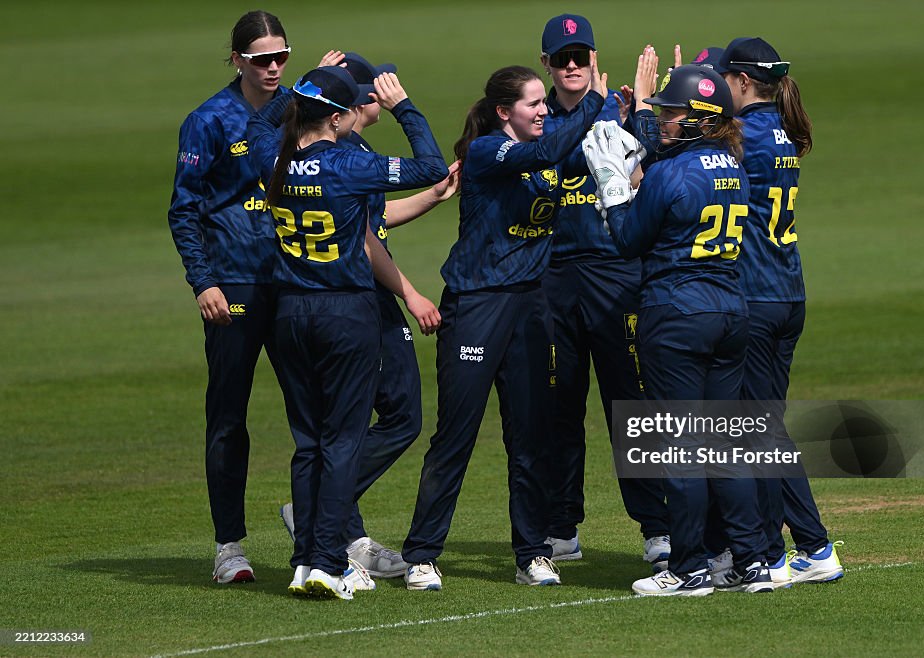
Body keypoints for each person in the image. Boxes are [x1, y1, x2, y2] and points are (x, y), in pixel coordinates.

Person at [401, 61, 608, 591]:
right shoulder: (488, 150)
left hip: (531, 307)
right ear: (503, 112)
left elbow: (585, 156)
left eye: (545, 103)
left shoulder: (548, 153)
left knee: (532, 434)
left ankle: (533, 553)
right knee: (457, 434)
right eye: (534, 104)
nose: (543, 110)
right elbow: (545, 149)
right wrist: (589, 106)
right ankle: (422, 554)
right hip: (477, 306)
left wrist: (629, 111)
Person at [247, 64, 447, 598]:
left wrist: (291, 95)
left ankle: (303, 562)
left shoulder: (273, 158)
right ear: (337, 118)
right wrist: (404, 106)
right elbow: (429, 166)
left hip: (289, 314)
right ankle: (329, 562)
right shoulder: (344, 165)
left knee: (307, 442)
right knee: (341, 440)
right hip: (345, 313)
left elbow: (251, 132)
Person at [168, 10, 345, 584]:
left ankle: (323, 532)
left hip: (295, 281)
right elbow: (184, 209)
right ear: (237, 59)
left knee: (315, 418)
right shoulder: (208, 120)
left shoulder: (297, 109)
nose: (273, 68)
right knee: (228, 417)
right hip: (234, 283)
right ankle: (229, 546)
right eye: (261, 59)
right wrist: (204, 281)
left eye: (281, 58)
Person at [583, 58, 772, 596]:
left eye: (671, 111)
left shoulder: (670, 172)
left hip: (676, 315)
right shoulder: (734, 165)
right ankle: (751, 561)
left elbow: (627, 240)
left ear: (699, 117)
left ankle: (689, 568)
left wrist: (613, 185)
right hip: (731, 312)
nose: (663, 117)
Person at [702, 37, 842, 586]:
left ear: (740, 83)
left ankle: (807, 545)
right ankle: (766, 549)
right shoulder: (781, 133)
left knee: (759, 430)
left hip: (755, 298)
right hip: (788, 293)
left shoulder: (744, 139)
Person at [536, 14, 672, 572]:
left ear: (592, 57)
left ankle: (657, 528)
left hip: (615, 272)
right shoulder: (533, 114)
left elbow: (651, 165)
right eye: (561, 57)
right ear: (546, 63)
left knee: (628, 406)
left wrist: (636, 109)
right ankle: (561, 528)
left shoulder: (611, 110)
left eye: (580, 55)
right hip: (552, 276)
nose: (571, 65)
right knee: (560, 406)